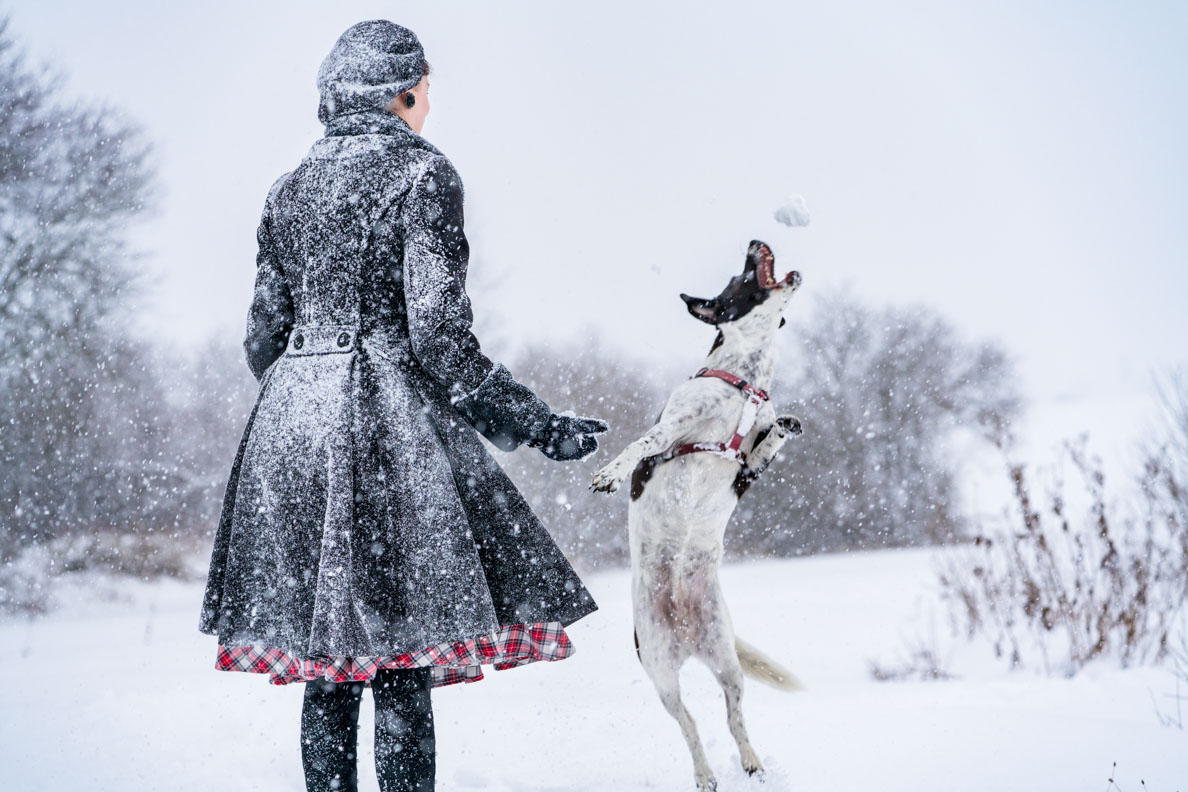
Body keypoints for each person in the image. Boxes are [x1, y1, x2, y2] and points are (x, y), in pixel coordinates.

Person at [197, 20, 608, 792]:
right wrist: (534, 424)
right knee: (398, 659)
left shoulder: (287, 189)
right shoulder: (421, 175)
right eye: (425, 92)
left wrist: (309, 396)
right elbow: (441, 338)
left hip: (287, 427)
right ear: (404, 90)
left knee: (330, 661)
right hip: (380, 425)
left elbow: (263, 338)